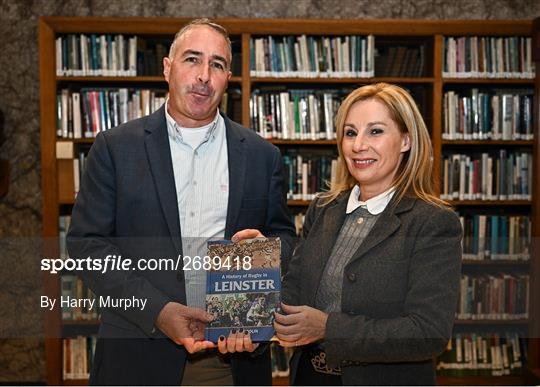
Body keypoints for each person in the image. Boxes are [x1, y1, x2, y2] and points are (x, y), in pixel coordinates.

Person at [67, 18, 295, 385]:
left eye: (217, 64)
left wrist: (265, 252)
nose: (204, 75)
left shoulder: (261, 155)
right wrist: (158, 311)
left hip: (231, 362)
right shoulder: (114, 148)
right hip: (137, 354)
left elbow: (286, 241)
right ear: (167, 68)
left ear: (228, 77)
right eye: (192, 59)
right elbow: (86, 247)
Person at [275, 83, 462, 385]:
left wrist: (329, 328)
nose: (358, 145)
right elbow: (294, 291)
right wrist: (257, 262)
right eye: (350, 132)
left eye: (375, 131)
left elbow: (428, 332)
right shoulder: (323, 209)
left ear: (405, 140)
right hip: (309, 377)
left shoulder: (433, 223)